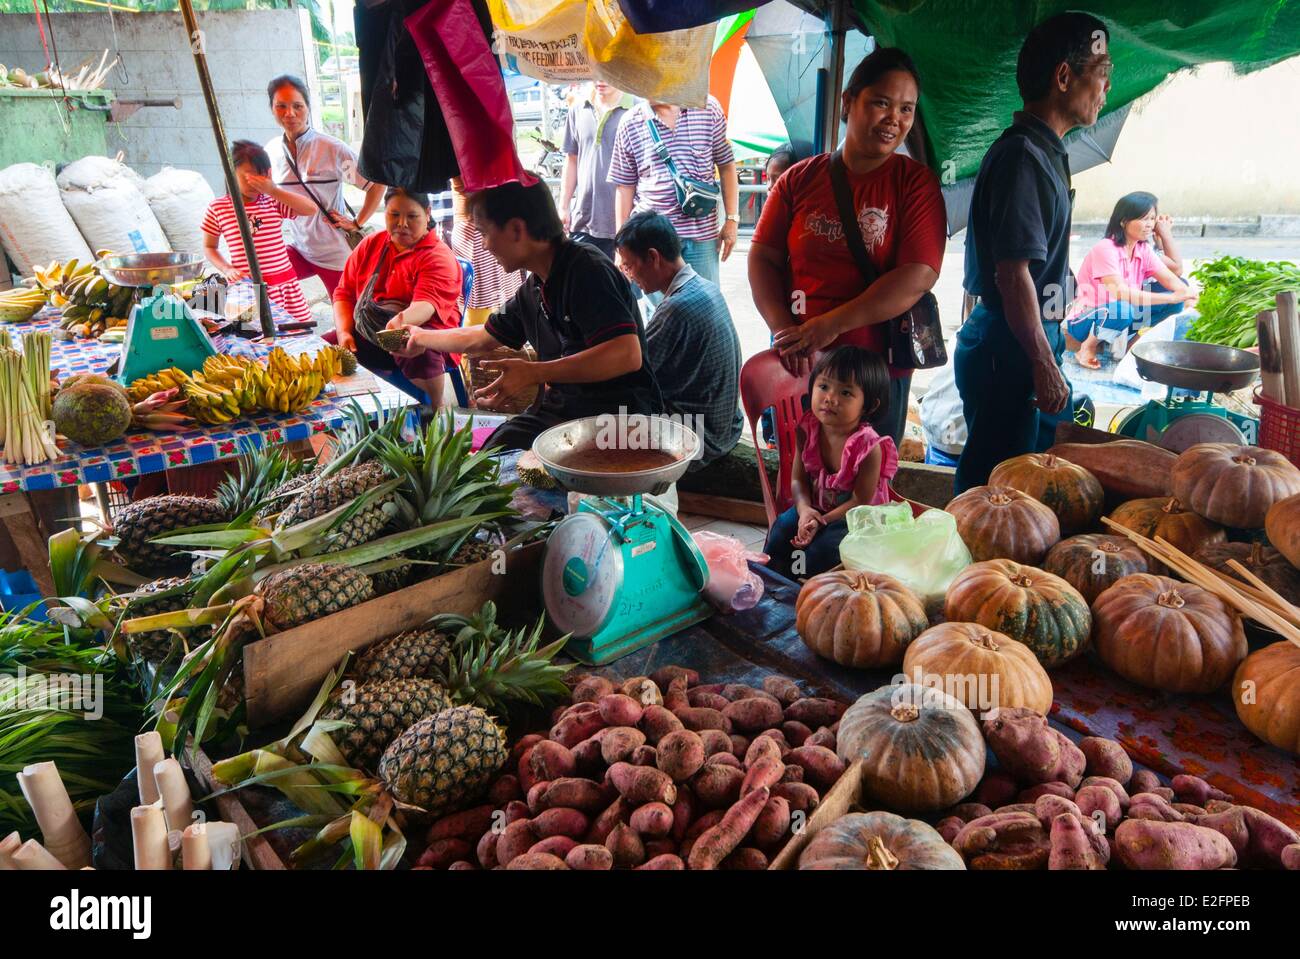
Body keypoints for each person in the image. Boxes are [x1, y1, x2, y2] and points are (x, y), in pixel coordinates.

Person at [748, 47, 947, 446]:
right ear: (848, 102)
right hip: (802, 365)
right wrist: (784, 330)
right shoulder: (798, 180)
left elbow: (917, 275)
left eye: (907, 109)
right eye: (881, 103)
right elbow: (763, 257)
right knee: (803, 479)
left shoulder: (915, 184)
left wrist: (830, 326)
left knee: (867, 489)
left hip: (875, 371)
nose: (894, 119)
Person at [954, 12, 1113, 494]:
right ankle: (979, 571)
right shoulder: (1024, 157)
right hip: (1010, 344)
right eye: (1102, 75)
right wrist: (1043, 361)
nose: (1106, 90)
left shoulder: (1044, 153)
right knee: (997, 491)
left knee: (1022, 481)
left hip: (1020, 336)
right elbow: (1012, 274)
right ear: (1064, 77)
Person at [395, 180, 662, 452]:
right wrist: (421, 338)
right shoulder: (535, 287)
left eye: (485, 233)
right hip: (563, 416)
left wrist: (535, 372)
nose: (485, 245)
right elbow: (482, 337)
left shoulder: (587, 270)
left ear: (516, 229)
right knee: (493, 452)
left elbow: (626, 354)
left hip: (617, 424)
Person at [613, 211, 742, 470]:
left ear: (653, 257)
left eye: (629, 265)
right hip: (726, 427)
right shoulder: (705, 287)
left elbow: (634, 373)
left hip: (702, 437)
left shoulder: (676, 308)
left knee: (605, 411)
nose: (628, 274)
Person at [763, 347, 899, 580]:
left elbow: (859, 501)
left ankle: (807, 594)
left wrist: (822, 521)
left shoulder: (869, 447)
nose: (830, 398)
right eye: (824, 386)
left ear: (869, 406)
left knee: (822, 552)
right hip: (815, 508)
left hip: (855, 519)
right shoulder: (807, 430)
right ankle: (772, 585)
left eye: (846, 393)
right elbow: (797, 479)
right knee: (781, 531)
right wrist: (805, 510)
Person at [325, 187, 464, 407]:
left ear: (427, 213)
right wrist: (344, 333)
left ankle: (439, 410)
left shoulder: (437, 256)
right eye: (394, 215)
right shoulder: (372, 243)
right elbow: (344, 292)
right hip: (369, 331)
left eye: (412, 216)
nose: (401, 224)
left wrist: (398, 324)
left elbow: (425, 306)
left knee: (417, 348)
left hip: (421, 333)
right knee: (322, 350)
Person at [264, 75, 386, 299]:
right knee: (262, 284)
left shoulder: (332, 149)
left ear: (308, 108)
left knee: (347, 317)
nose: (289, 113)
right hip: (299, 248)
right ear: (272, 108)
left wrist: (357, 222)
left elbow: (375, 186)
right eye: (281, 106)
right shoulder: (271, 152)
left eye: (297, 106)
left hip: (334, 254)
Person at [609, 95, 740, 286]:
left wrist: (732, 220)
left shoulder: (707, 107)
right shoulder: (630, 121)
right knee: (659, 312)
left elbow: (727, 165)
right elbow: (624, 186)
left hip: (702, 237)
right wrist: (621, 248)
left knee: (703, 306)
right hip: (651, 242)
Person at [1065, 192, 1195, 367]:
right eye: (1143, 219)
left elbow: (1173, 280)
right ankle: (1087, 347)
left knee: (1175, 301)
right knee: (1124, 308)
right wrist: (1172, 296)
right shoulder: (1105, 248)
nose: (1149, 225)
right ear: (1124, 220)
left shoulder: (1143, 249)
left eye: (1152, 219)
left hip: (1125, 315)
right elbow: (1121, 293)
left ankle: (1131, 347)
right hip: (1087, 320)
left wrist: (1186, 294)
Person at [201, 140, 318, 324]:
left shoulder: (272, 201)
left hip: (285, 287)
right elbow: (209, 246)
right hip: (247, 290)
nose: (256, 184)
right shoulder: (218, 208)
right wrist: (226, 268)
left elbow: (311, 209)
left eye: (261, 177)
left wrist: (274, 190)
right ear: (231, 174)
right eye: (249, 177)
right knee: (254, 337)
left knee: (298, 332)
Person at [559, 81, 633, 260]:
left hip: (625, 225)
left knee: (624, 287)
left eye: (607, 73)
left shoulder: (636, 110)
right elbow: (572, 159)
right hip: (583, 220)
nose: (601, 80)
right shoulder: (578, 108)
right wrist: (563, 206)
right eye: (596, 73)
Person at [450, 177, 525, 327]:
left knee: (503, 294)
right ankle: (486, 337)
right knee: (479, 298)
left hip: (494, 223)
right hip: (476, 228)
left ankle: (501, 331)